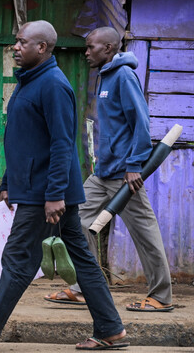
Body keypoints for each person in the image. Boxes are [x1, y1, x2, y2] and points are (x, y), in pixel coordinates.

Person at [0, 21, 127, 351]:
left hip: (45, 192)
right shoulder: (28, 81)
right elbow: (23, 140)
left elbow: (62, 143)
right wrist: (7, 182)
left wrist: (55, 194)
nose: (15, 47)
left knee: (18, 259)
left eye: (21, 42)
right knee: (82, 260)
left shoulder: (53, 85)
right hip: (36, 188)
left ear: (42, 47)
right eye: (16, 41)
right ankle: (111, 329)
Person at [44, 26, 173, 312]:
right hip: (103, 173)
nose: (86, 52)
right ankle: (83, 287)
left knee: (145, 233)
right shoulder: (104, 76)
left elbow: (140, 121)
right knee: (76, 222)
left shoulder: (124, 75)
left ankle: (161, 296)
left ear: (109, 49)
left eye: (91, 47)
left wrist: (135, 165)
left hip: (125, 175)